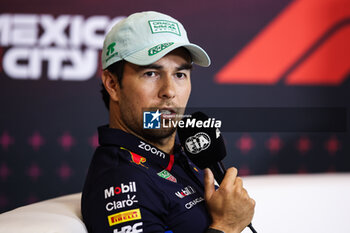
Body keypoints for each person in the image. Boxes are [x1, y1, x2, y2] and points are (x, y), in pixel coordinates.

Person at [81, 11, 255, 233]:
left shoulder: (181, 155)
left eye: (180, 74)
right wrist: (226, 226)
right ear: (112, 84)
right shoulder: (121, 180)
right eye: (151, 73)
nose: (169, 91)